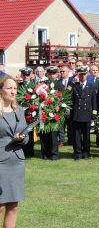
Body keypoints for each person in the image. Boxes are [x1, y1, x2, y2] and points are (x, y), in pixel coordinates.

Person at [0, 76, 29, 228]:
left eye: (15, 88)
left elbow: (26, 136)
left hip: (16, 162)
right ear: (1, 90)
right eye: (9, 88)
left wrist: (22, 138)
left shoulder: (19, 110)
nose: (13, 92)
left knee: (13, 205)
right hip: (0, 163)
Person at [70, 66, 97, 160]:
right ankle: (78, 153)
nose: (82, 76)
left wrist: (93, 115)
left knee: (86, 136)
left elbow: (94, 102)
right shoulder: (74, 86)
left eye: (84, 74)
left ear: (87, 74)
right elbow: (67, 96)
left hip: (87, 114)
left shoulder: (92, 86)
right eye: (80, 74)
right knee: (77, 136)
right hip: (77, 114)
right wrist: (72, 83)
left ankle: (86, 153)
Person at [39, 66, 64, 160]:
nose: (52, 75)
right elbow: (38, 97)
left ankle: (54, 154)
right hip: (44, 113)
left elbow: (64, 99)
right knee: (44, 134)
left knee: (53, 135)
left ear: (57, 74)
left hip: (54, 114)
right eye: (50, 73)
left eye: (53, 73)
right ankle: (45, 153)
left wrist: (59, 106)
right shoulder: (43, 84)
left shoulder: (60, 85)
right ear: (47, 74)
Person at [18, 67, 36, 158]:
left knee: (29, 133)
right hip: (20, 113)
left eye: (27, 75)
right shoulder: (18, 85)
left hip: (30, 113)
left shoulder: (34, 86)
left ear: (31, 75)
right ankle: (22, 151)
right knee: (21, 132)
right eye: (24, 75)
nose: (25, 77)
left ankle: (29, 152)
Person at [58, 65, 74, 147]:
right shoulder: (58, 82)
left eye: (63, 71)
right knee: (61, 125)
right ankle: (61, 141)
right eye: (60, 71)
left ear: (68, 72)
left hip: (70, 106)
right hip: (60, 107)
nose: (62, 73)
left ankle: (71, 140)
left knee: (70, 124)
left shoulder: (73, 82)